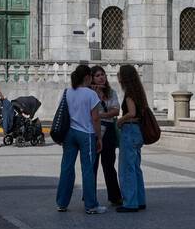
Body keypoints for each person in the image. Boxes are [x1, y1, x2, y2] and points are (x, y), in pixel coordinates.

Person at [55, 63, 106, 215]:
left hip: (70, 133)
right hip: (86, 133)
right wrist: (99, 138)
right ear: (87, 77)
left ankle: (61, 202)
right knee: (88, 169)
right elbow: (95, 118)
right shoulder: (91, 94)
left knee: (66, 167)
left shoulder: (68, 92)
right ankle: (91, 205)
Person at [115, 64, 148, 212]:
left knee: (127, 168)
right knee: (135, 167)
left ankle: (130, 203)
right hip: (138, 132)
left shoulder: (129, 94)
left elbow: (132, 113)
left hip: (129, 130)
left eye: (120, 74)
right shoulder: (139, 92)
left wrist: (120, 121)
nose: (118, 77)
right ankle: (140, 200)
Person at [90, 65, 122, 206]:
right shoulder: (89, 93)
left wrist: (101, 114)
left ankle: (114, 196)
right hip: (94, 129)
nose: (101, 77)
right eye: (97, 75)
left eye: (103, 74)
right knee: (92, 165)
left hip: (108, 129)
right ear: (92, 78)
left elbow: (116, 111)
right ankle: (90, 196)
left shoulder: (112, 92)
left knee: (109, 164)